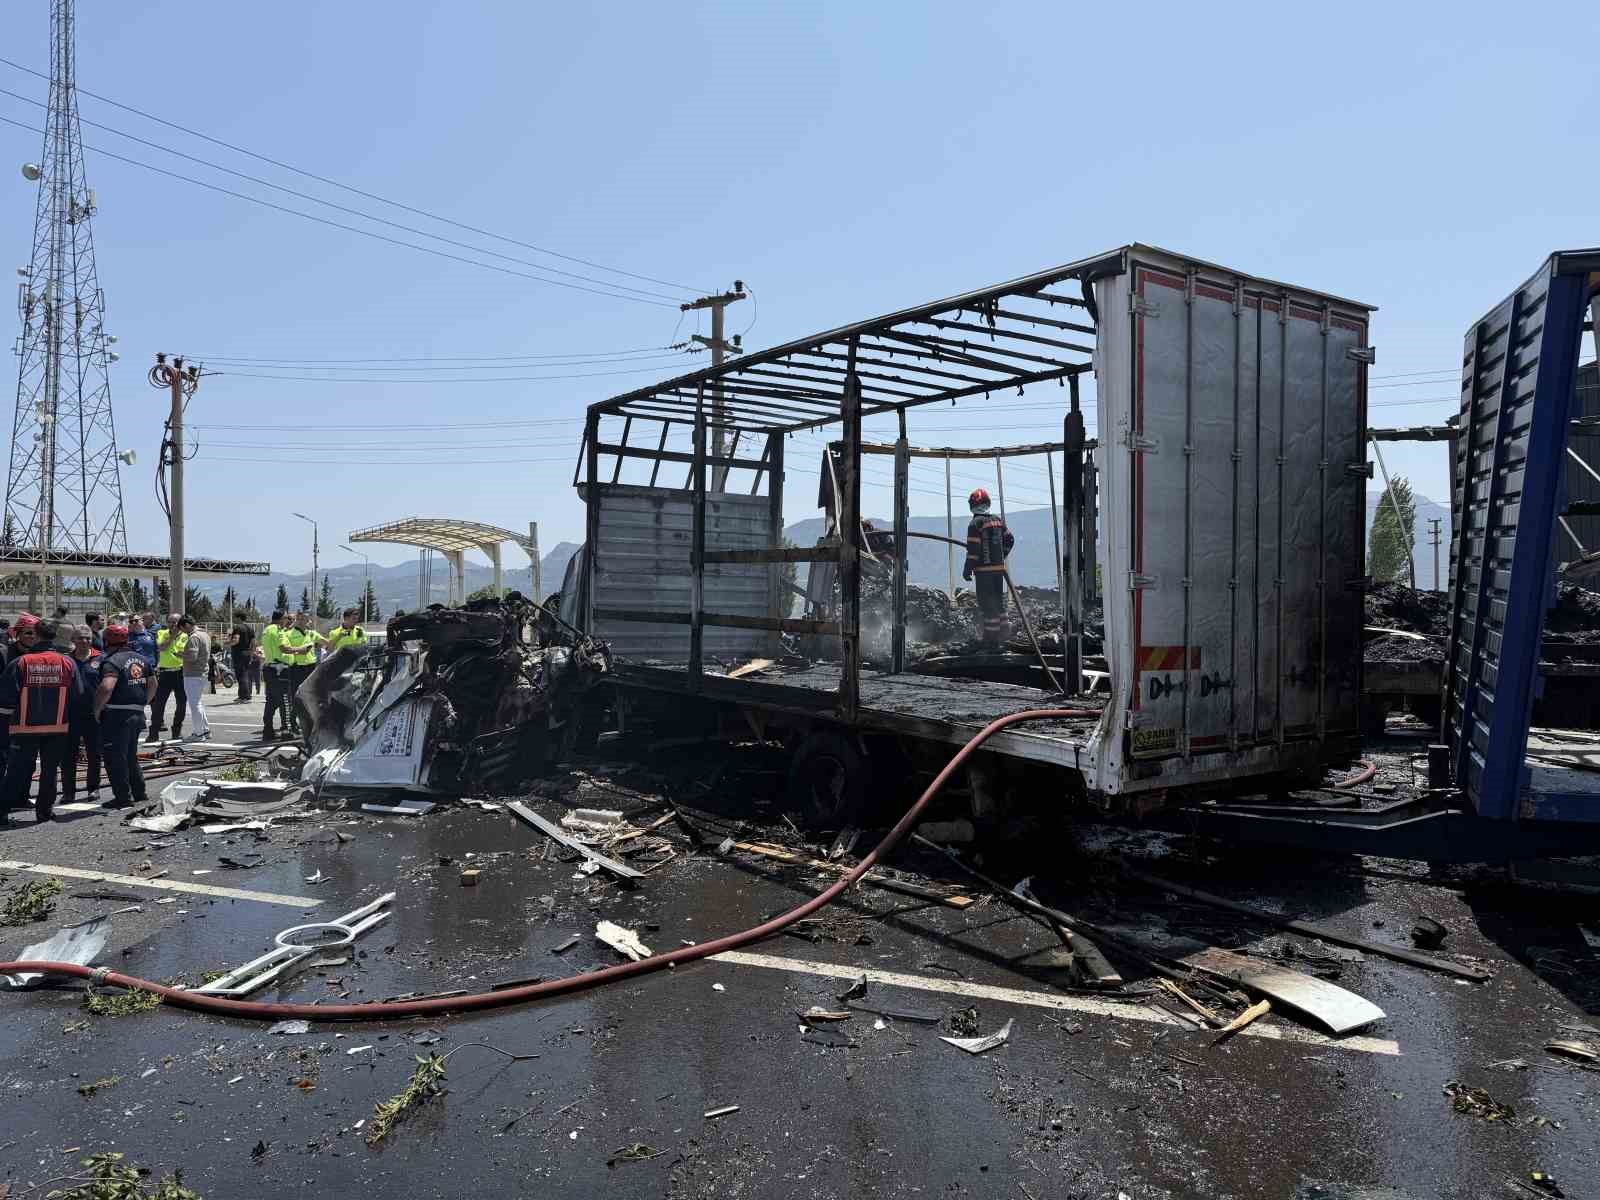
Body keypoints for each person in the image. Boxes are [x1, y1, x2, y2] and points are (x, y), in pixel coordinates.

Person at [0, 621, 82, 825]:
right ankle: (44, 811)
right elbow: (78, 694)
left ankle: (2, 812)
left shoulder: (21, 662)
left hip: (24, 728)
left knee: (16, 771)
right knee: (49, 771)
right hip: (58, 727)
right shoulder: (67, 663)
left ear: (36, 636)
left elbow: (6, 698)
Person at [94, 624, 155, 810]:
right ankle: (139, 792)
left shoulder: (111, 661)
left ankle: (122, 797)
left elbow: (106, 687)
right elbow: (153, 684)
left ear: (106, 641)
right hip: (137, 713)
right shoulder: (142, 659)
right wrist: (142, 703)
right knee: (130, 755)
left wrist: (97, 710)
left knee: (115, 757)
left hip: (117, 715)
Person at [962, 487, 1015, 648]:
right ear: (988, 503)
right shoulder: (997, 520)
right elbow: (1010, 539)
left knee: (987, 604)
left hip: (983, 573)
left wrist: (967, 569)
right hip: (998, 570)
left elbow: (973, 551)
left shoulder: (975, 524)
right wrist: (1000, 556)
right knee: (998, 602)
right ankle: (1004, 633)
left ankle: (991, 639)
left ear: (972, 506)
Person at [61, 625, 102, 805]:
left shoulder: (101, 658)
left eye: (88, 638)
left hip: (94, 714)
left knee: (94, 753)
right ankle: (68, 792)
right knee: (68, 755)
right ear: (73, 640)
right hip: (70, 714)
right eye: (80, 638)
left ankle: (93, 788)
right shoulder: (66, 660)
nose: (84, 641)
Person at [148, 614, 190, 743]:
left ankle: (176, 731)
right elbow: (162, 647)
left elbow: (186, 654)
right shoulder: (162, 633)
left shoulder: (186, 636)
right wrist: (172, 636)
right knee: (159, 704)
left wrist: (182, 654)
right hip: (165, 673)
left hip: (180, 673)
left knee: (181, 704)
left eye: (175, 622)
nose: (172, 624)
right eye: (170, 622)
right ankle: (154, 733)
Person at [279, 612, 323, 736]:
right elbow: (284, 649)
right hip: (296, 668)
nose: (306, 621)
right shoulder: (288, 634)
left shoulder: (311, 633)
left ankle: (309, 724)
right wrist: (300, 651)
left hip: (311, 667)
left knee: (310, 697)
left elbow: (328, 643)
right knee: (296, 697)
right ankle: (291, 723)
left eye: (307, 619)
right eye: (302, 619)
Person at [180, 615, 211, 741]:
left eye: (182, 629)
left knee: (194, 704)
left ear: (187, 625)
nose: (183, 632)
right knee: (198, 702)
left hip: (193, 674)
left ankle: (198, 734)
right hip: (202, 672)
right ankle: (205, 730)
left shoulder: (194, 637)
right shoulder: (205, 634)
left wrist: (180, 654)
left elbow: (192, 657)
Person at [259, 609, 290, 740]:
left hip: (269, 668)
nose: (287, 620)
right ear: (281, 619)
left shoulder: (267, 630)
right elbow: (283, 648)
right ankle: (286, 731)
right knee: (285, 701)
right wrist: (300, 650)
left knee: (271, 701)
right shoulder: (278, 630)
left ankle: (268, 731)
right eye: (286, 618)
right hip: (279, 669)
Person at [229, 622, 256, 702]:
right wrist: (251, 654)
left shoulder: (237, 627)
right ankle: (243, 695)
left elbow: (236, 640)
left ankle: (245, 696)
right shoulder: (250, 628)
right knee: (245, 674)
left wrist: (227, 643)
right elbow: (254, 643)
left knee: (241, 675)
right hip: (247, 653)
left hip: (238, 654)